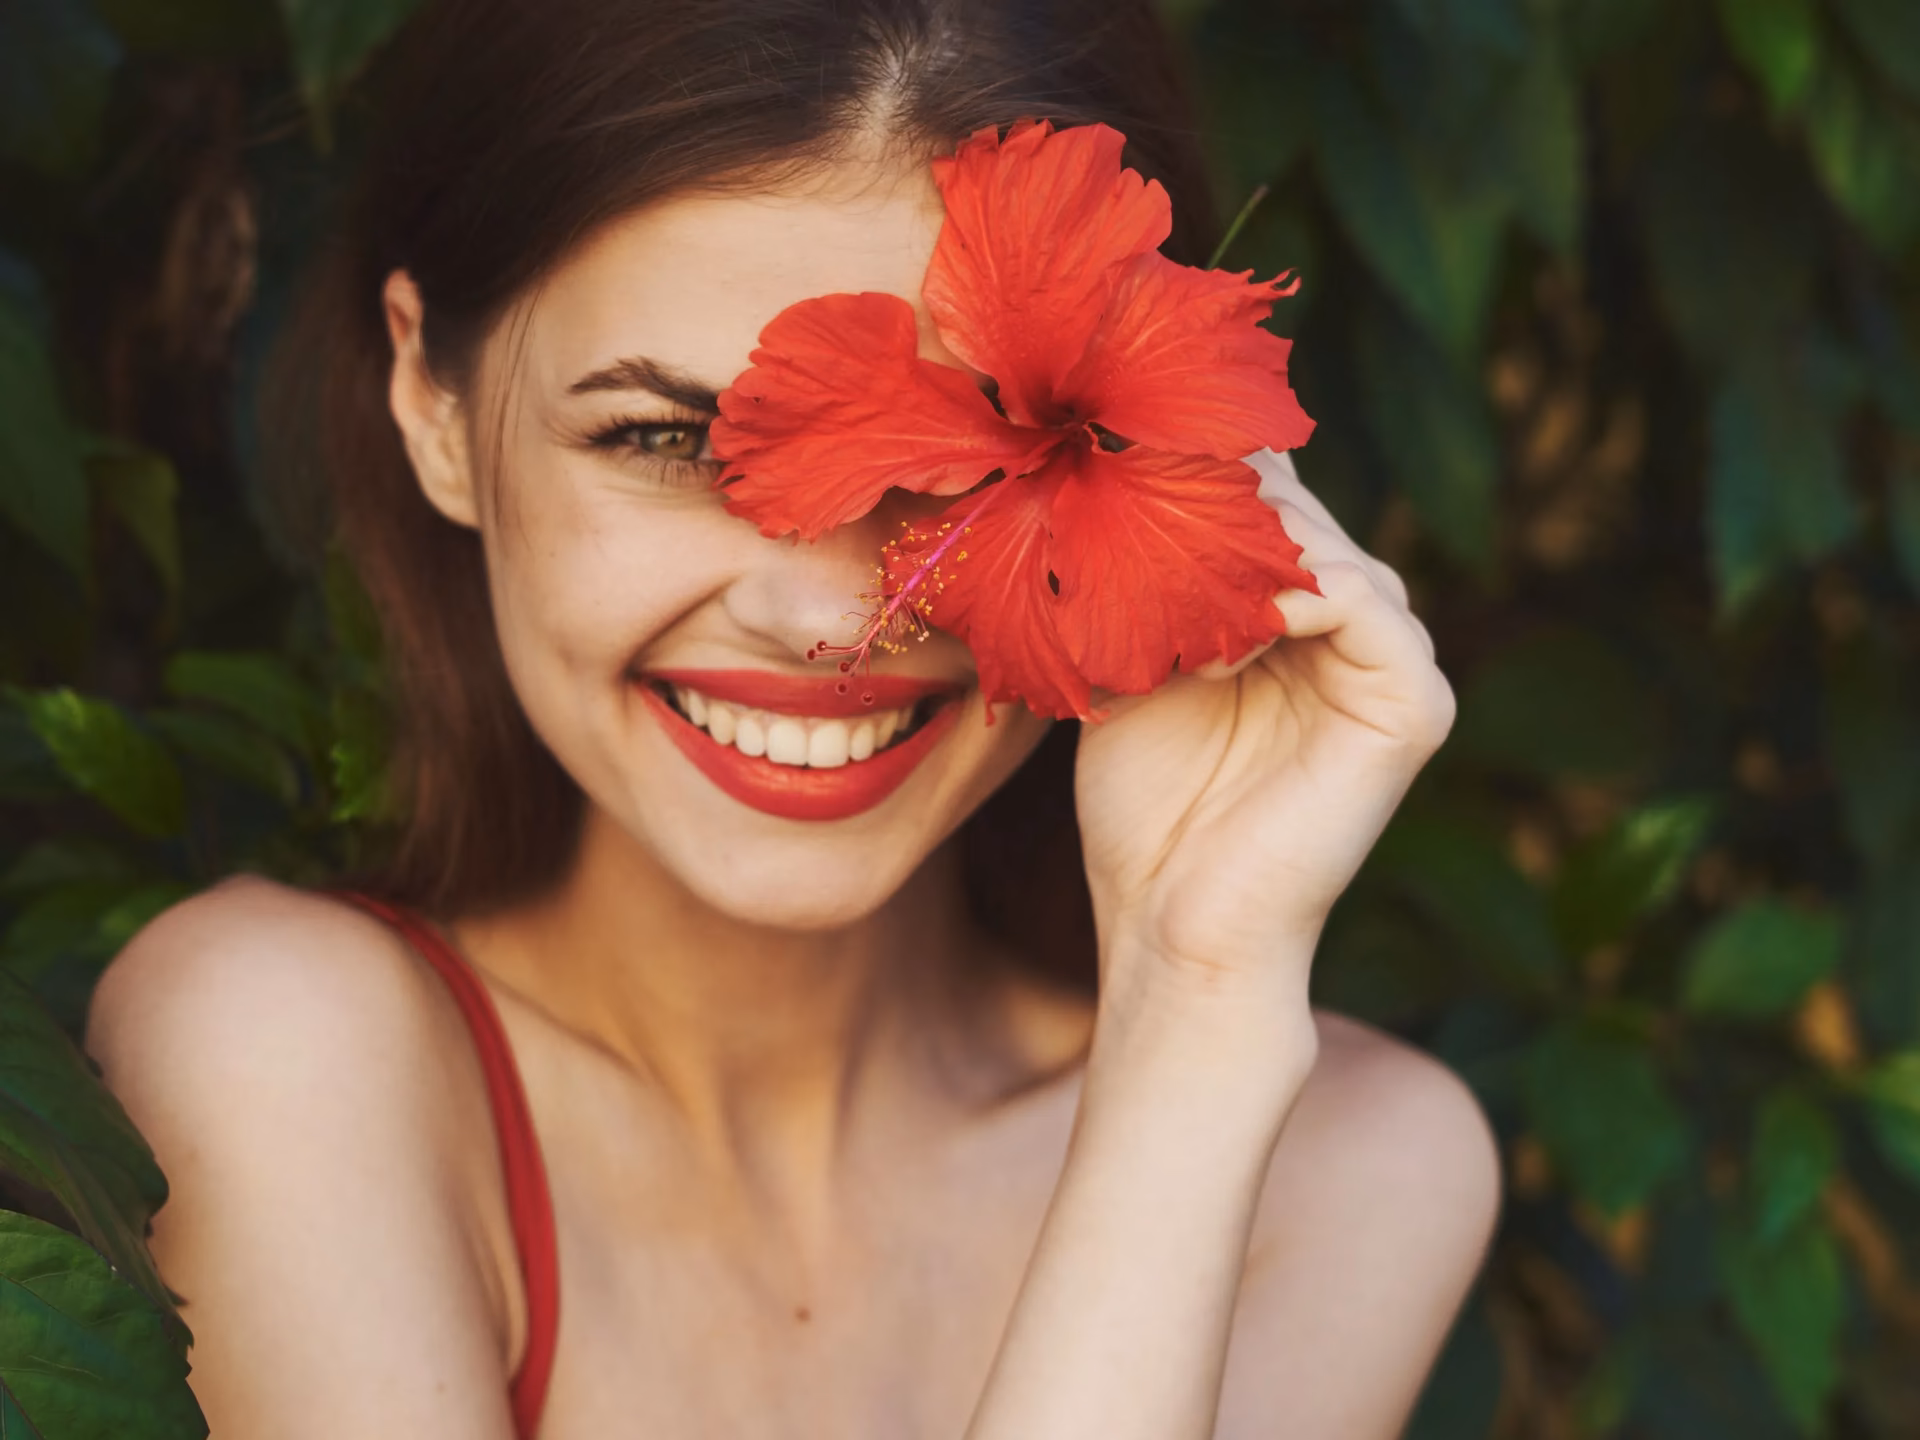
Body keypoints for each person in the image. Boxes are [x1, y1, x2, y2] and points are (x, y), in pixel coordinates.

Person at [87, 1, 1500, 1435]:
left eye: (961, 455)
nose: (833, 623)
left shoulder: (1352, 1172)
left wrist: (1195, 1001)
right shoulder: (279, 1053)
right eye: (664, 440)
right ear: (433, 403)